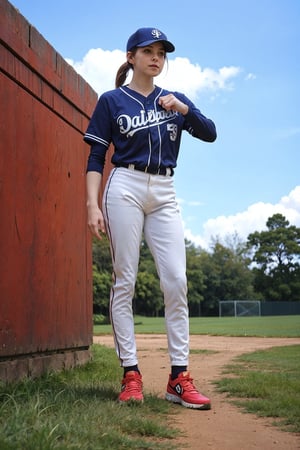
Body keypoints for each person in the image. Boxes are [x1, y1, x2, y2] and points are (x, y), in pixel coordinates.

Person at [84, 27, 217, 409]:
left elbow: (209, 134)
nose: (156, 57)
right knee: (124, 280)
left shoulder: (173, 100)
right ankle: (131, 373)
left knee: (176, 280)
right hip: (123, 184)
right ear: (131, 58)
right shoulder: (112, 100)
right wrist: (91, 205)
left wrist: (184, 110)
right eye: (148, 51)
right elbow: (95, 157)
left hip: (164, 190)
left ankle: (179, 378)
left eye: (161, 52)